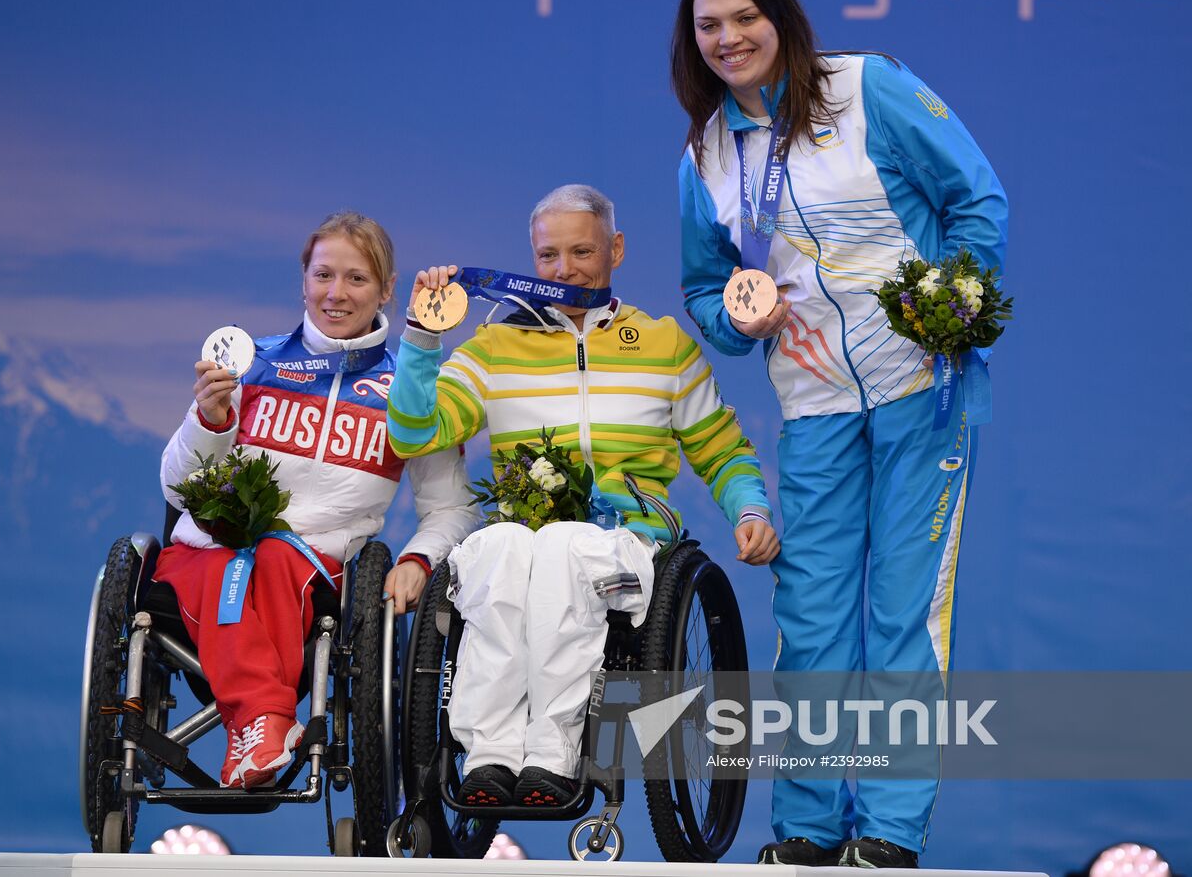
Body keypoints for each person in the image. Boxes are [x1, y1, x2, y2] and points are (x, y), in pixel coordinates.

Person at [671, 0, 1008, 868]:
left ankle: (890, 833)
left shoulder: (868, 89)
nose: (730, 38)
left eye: (746, 17)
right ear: (691, 41)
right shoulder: (704, 154)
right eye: (710, 25)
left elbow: (976, 200)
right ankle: (811, 830)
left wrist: (958, 303)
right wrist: (742, 317)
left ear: (779, 15)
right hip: (813, 405)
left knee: (902, 612)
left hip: (919, 390)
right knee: (813, 617)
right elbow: (708, 294)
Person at [386, 183, 778, 808]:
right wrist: (421, 338)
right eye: (548, 257)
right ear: (532, 257)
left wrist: (750, 508)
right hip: (526, 532)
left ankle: (553, 754)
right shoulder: (492, 347)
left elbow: (722, 449)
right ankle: (488, 755)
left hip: (631, 541)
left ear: (616, 249)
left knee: (567, 547)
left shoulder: (666, 344)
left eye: (582, 251)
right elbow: (415, 431)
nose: (564, 269)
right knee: (500, 552)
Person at [156, 211, 477, 789]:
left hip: (310, 570)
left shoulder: (411, 388)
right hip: (207, 556)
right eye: (323, 274)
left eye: (356, 279)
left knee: (278, 559)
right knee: (227, 562)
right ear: (303, 280)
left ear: (387, 289)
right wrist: (210, 420)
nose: (336, 293)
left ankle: (258, 727)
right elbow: (179, 490)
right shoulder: (251, 363)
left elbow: (453, 508)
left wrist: (417, 559)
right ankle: (264, 721)